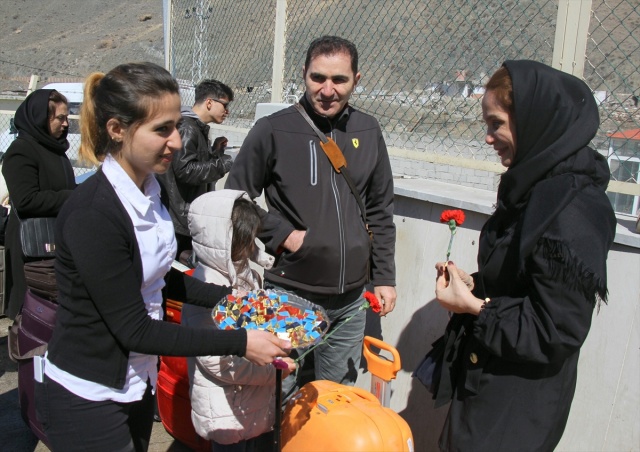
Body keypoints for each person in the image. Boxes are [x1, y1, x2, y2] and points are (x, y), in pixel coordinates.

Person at [34, 62, 291, 452]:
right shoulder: (94, 215)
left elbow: (158, 278)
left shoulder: (150, 193)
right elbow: (134, 329)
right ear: (117, 130)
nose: (176, 141)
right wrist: (240, 342)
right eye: (161, 129)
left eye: (175, 125)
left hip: (137, 382)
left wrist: (235, 299)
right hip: (89, 396)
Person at [430, 60, 616, 451]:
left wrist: (476, 308)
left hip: (514, 410)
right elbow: (524, 282)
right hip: (489, 387)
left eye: (496, 123)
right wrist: (475, 286)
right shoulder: (535, 188)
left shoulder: (571, 210)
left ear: (535, 122)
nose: (488, 137)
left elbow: (556, 328)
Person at [226, 35, 397, 390]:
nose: (327, 90)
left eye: (339, 80)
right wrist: (284, 236)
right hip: (290, 295)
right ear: (303, 74)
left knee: (334, 400)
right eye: (318, 78)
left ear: (357, 80)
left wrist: (384, 277)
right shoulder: (273, 129)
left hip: (351, 301)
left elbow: (380, 209)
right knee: (278, 395)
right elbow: (235, 199)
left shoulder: (368, 130)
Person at [182, 189, 296, 451]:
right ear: (223, 241)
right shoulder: (205, 287)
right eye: (244, 239)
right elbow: (220, 363)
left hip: (251, 405)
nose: (249, 245)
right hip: (226, 412)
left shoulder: (246, 273)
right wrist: (273, 372)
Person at [1, 89, 76, 319]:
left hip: (57, 242)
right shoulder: (22, 151)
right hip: (32, 245)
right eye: (60, 118)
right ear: (41, 118)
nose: (66, 124)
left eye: (67, 118)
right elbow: (26, 200)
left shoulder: (57, 150)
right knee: (32, 315)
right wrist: (73, 197)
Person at [158, 79, 234, 256]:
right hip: (180, 220)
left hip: (184, 217)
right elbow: (185, 170)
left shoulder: (195, 128)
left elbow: (192, 164)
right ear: (209, 102)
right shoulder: (188, 128)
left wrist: (214, 153)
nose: (227, 111)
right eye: (224, 105)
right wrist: (224, 163)